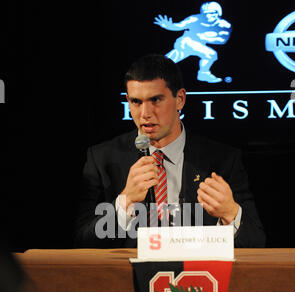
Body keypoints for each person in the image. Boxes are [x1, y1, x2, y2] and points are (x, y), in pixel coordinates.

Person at [74, 54, 265, 249]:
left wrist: (230, 213)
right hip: (129, 277)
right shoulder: (102, 158)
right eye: (136, 102)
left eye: (155, 100)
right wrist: (124, 202)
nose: (145, 113)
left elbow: (256, 242)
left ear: (180, 99)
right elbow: (82, 242)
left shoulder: (223, 160)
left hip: (197, 275)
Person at [154, 1, 232, 83]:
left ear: (218, 13)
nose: (209, 16)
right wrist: (169, 26)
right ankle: (203, 74)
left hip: (198, 45)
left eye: (212, 13)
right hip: (186, 42)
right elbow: (179, 26)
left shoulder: (224, 25)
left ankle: (156, 69)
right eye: (206, 13)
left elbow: (223, 40)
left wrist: (205, 37)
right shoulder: (194, 19)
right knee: (211, 54)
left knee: (173, 57)